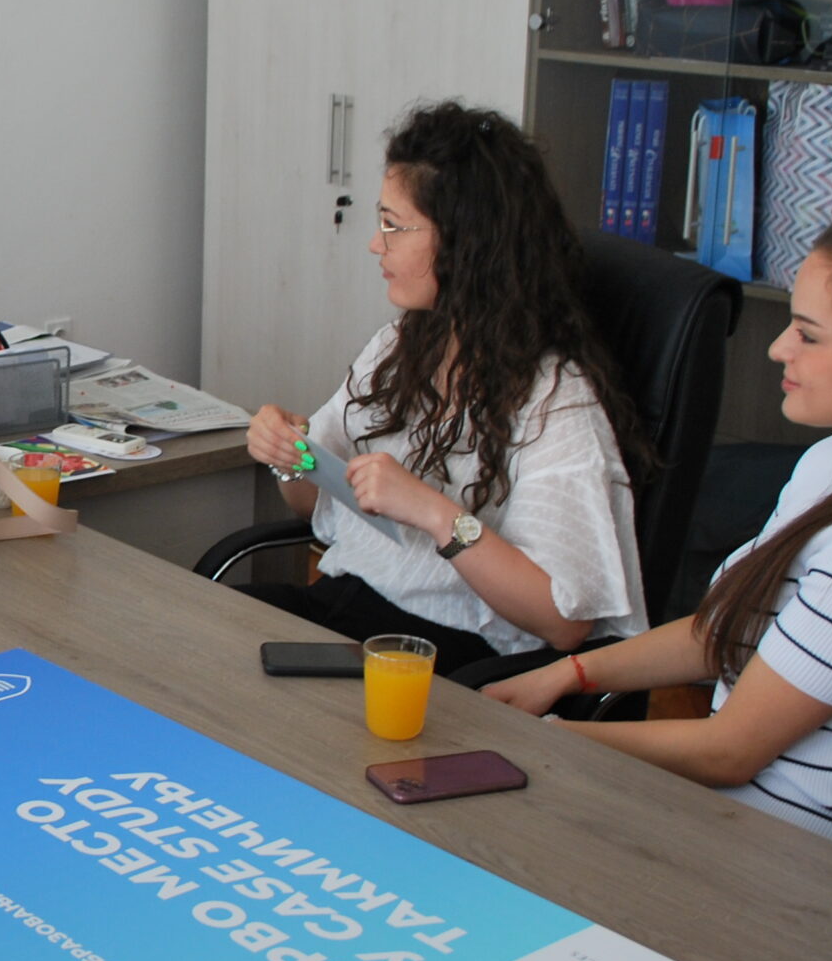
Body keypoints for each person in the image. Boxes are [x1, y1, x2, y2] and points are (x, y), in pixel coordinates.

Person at [484, 193, 832, 860]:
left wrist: (553, 741)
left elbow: (729, 752)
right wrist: (568, 675)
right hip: (731, 819)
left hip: (794, 864)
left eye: (809, 335)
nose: (779, 348)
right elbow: (725, 632)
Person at [243, 103, 651, 677]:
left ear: (466, 243)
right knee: (197, 634)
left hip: (445, 657)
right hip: (346, 610)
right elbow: (316, 505)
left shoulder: (554, 399)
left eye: (394, 225)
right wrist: (291, 457)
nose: (375, 244)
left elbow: (564, 622)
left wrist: (434, 513)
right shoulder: (400, 345)